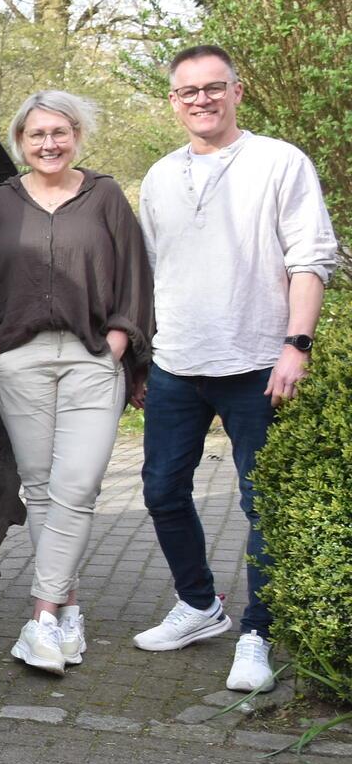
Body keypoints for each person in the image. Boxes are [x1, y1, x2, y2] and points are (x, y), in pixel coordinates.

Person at [133, 44, 337, 693]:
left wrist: (295, 345)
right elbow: (155, 271)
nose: (201, 99)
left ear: (236, 91)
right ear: (173, 101)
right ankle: (199, 605)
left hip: (257, 363)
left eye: (213, 87)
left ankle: (258, 631)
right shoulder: (161, 177)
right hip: (176, 365)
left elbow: (311, 258)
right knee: (163, 491)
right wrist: (146, 355)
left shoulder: (280, 163)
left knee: (260, 503)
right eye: (188, 91)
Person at [0, 90, 151, 676]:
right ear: (20, 140)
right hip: (19, 358)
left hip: (93, 357)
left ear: (77, 136)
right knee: (40, 488)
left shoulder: (107, 197)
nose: (49, 144)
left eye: (59, 133)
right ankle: (68, 611)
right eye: (37, 134)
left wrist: (120, 340)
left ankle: (40, 616)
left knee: (78, 484)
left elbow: (136, 279)